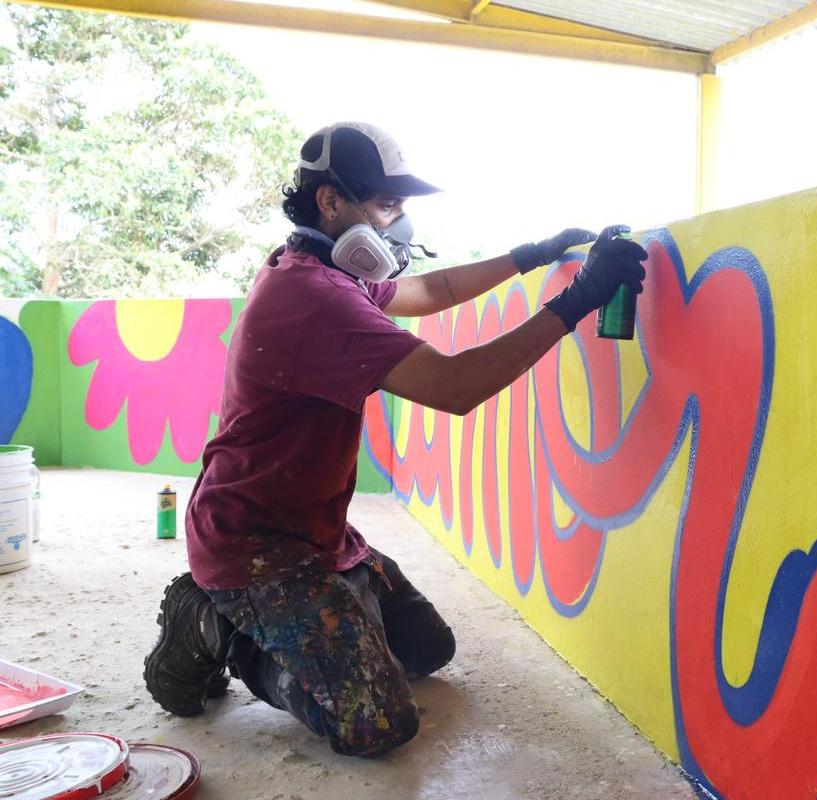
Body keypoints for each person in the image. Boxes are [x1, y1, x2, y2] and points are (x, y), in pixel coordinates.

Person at [142, 121, 647, 757]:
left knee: (429, 650)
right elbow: (456, 387)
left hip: (315, 534)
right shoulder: (315, 298)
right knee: (375, 723)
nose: (397, 222)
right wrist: (576, 303)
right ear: (331, 202)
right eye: (385, 204)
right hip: (255, 545)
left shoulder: (322, 271)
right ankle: (223, 629)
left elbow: (431, 289)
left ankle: (319, 620)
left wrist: (534, 254)